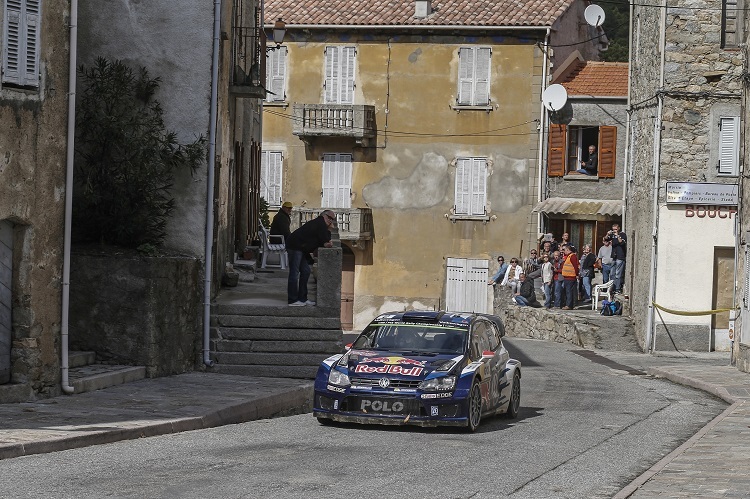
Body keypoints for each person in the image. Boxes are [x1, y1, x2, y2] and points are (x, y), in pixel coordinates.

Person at [286, 210, 335, 306]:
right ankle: (292, 300)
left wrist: (328, 232)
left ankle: (303, 299)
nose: (331, 221)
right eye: (330, 218)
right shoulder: (320, 223)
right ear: (324, 216)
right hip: (295, 246)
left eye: (332, 219)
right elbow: (326, 243)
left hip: (299, 248)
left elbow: (324, 241)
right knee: (294, 273)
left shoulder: (320, 224)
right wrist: (329, 230)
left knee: (306, 271)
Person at [609, 223, 627, 293]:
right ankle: (613, 288)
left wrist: (617, 235)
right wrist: (608, 234)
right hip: (614, 256)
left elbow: (621, 242)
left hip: (620, 257)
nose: (614, 231)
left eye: (615, 229)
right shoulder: (612, 235)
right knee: (612, 274)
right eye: (613, 229)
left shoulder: (622, 235)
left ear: (619, 228)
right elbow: (605, 239)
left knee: (618, 274)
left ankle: (618, 288)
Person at [560, 244, 579, 310]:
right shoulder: (568, 256)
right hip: (567, 277)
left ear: (568, 249)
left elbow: (575, 266)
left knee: (569, 292)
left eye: (564, 250)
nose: (563, 251)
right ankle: (570, 304)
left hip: (570, 277)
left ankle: (568, 305)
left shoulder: (572, 256)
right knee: (569, 292)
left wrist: (576, 274)